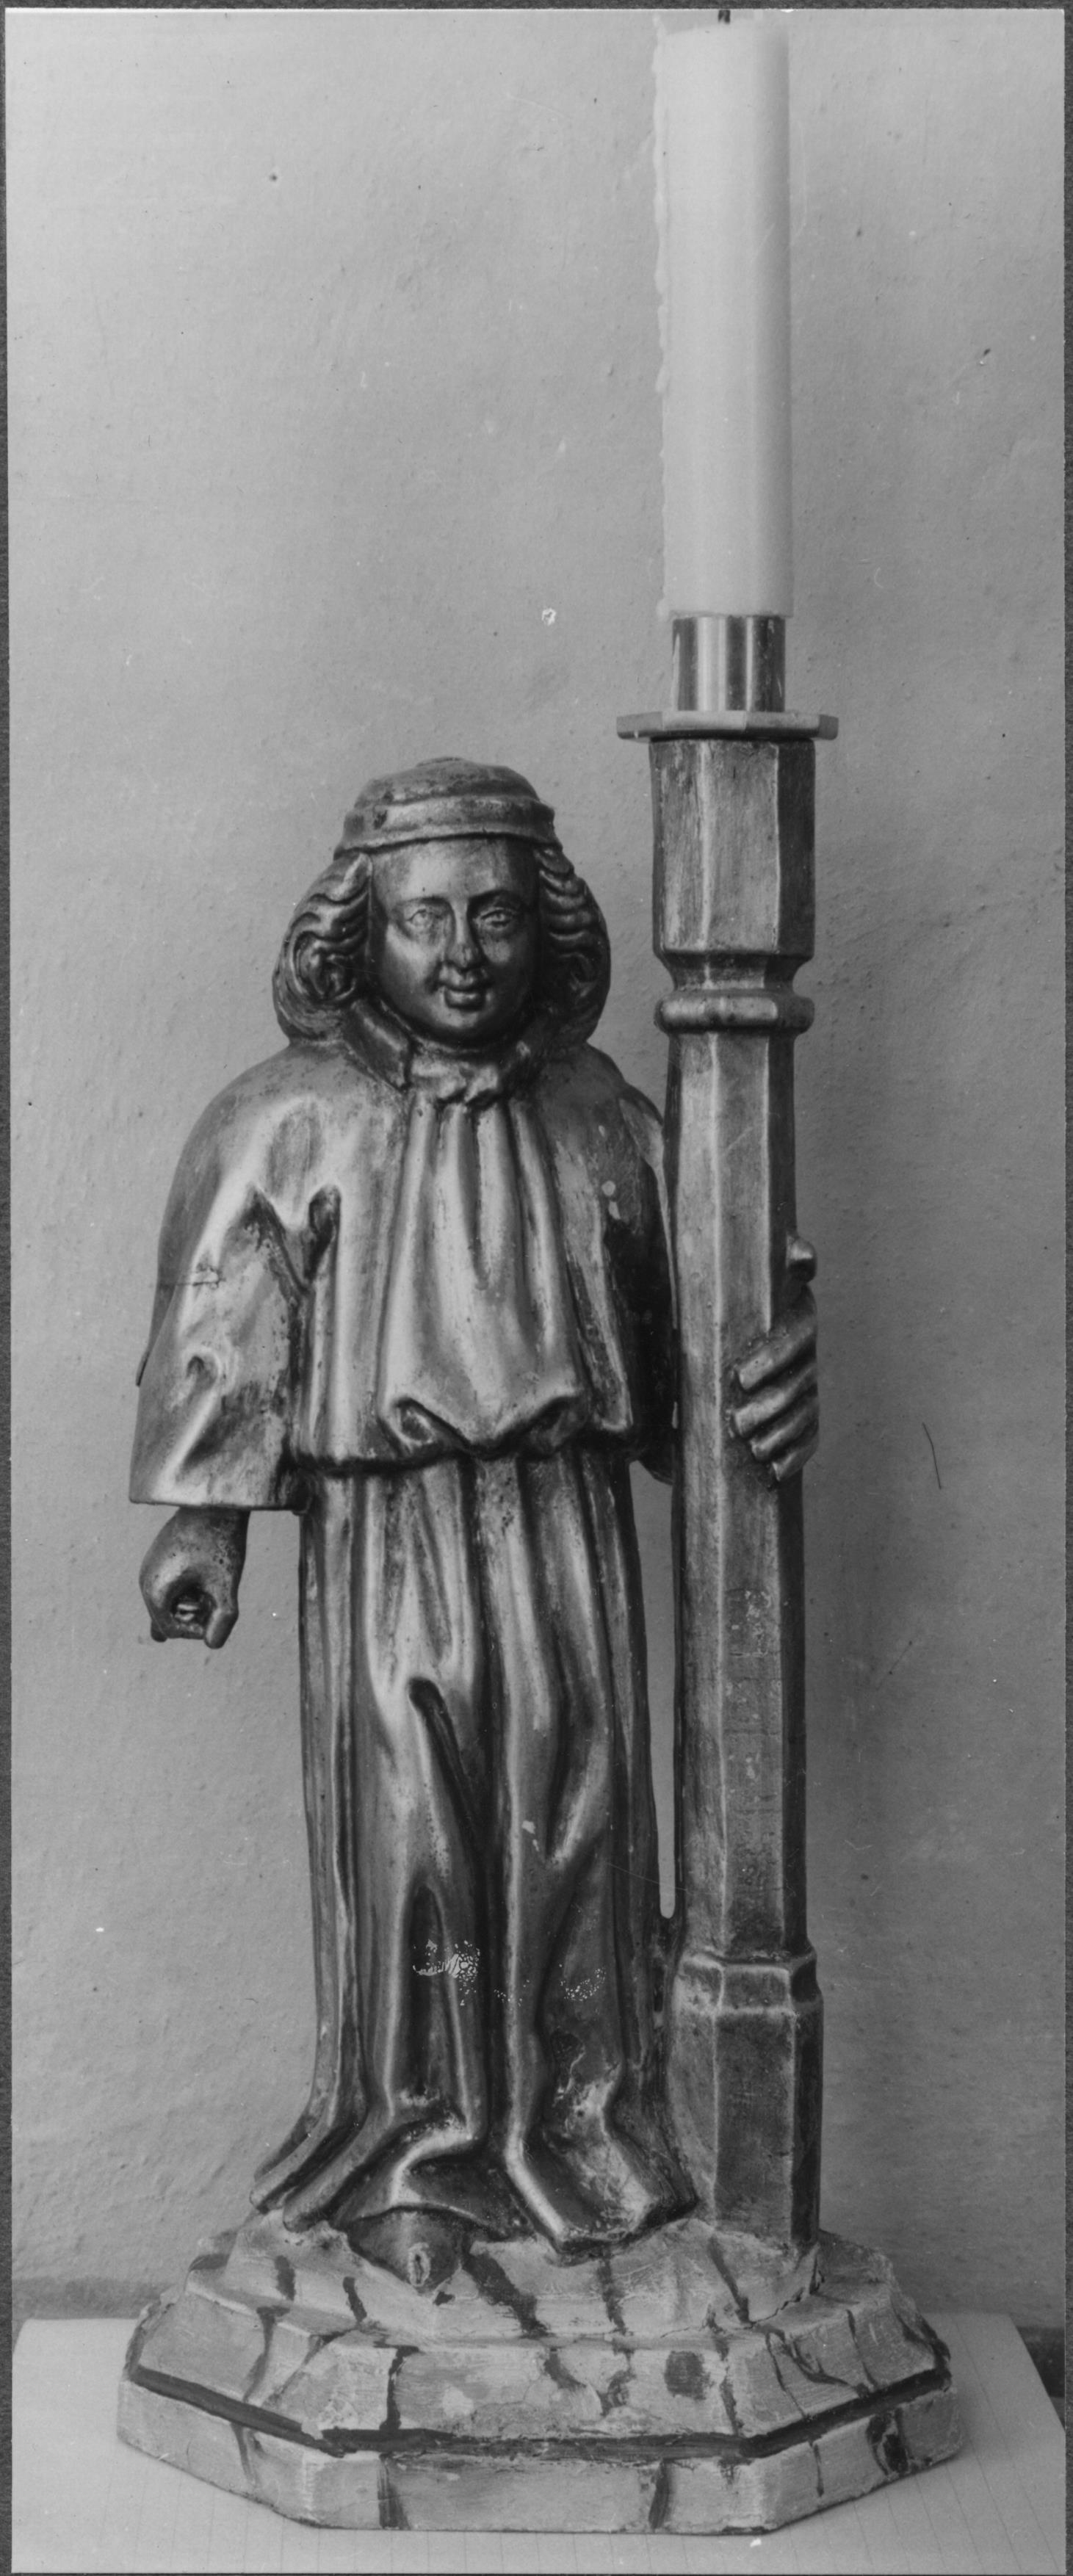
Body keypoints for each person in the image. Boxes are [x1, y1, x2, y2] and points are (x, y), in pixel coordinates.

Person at [132, 758, 817, 2266]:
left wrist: (770, 1368)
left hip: (564, 1527)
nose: (461, 953)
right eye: (425, 917)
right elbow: (222, 1334)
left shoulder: (601, 1117)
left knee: (574, 1824)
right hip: (387, 1539)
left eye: (497, 917)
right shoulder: (285, 1119)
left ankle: (580, 2131)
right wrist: (204, 1523)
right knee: (416, 1837)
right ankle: (413, 2151)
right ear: (356, 931)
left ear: (545, 929)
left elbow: (706, 1326)